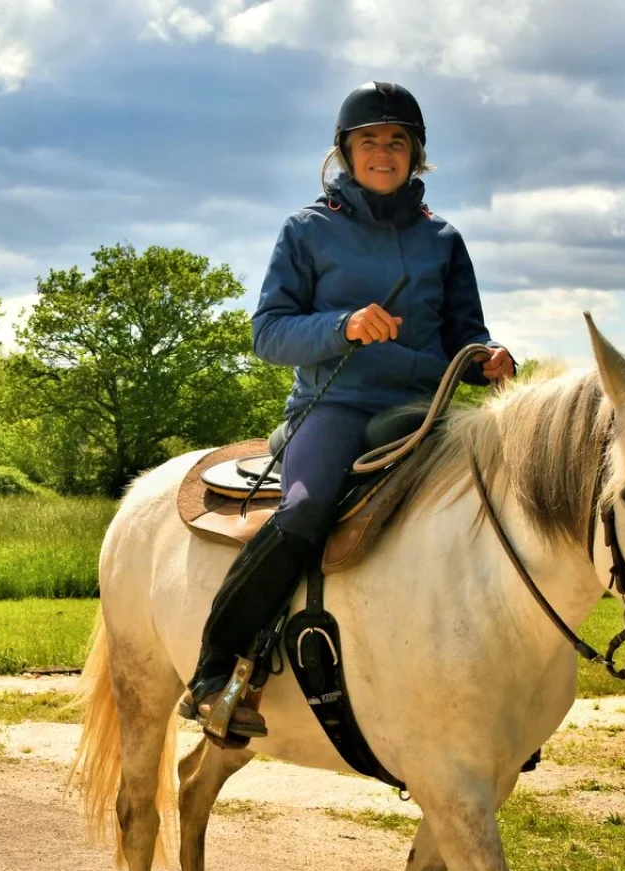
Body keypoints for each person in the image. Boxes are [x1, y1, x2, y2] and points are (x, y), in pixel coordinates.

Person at [181, 81, 516, 740]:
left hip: (423, 409)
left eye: (397, 142)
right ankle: (215, 675)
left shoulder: (443, 240)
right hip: (333, 405)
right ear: (345, 153)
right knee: (304, 510)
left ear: (416, 155)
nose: (383, 153)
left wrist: (489, 357)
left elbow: (465, 334)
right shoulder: (308, 229)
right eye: (370, 142)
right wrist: (344, 326)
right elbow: (269, 332)